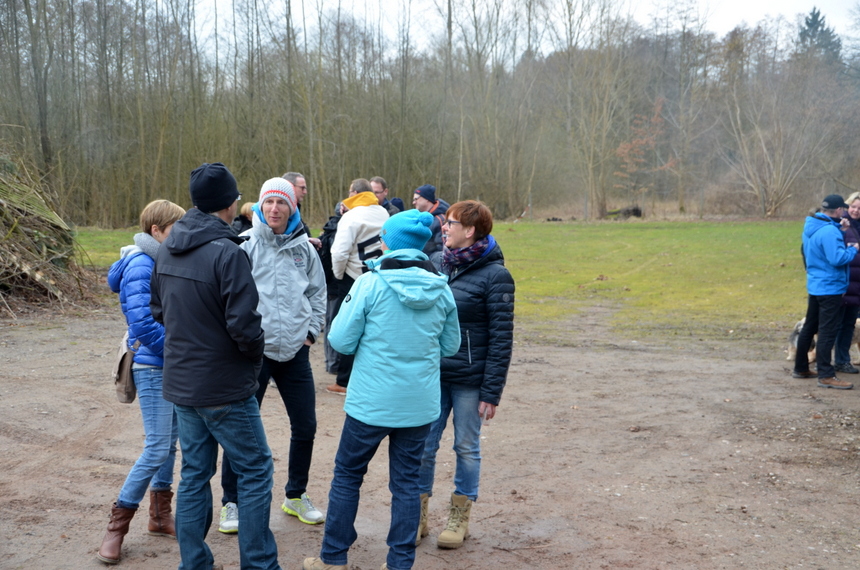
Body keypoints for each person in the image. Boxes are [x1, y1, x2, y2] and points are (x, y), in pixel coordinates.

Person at [302, 210, 461, 570]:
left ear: (388, 242)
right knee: (406, 483)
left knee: (347, 476)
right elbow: (450, 346)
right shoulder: (441, 289)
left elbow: (341, 340)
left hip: (370, 403)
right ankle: (400, 563)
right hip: (418, 405)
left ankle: (333, 558)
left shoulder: (369, 284)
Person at [150, 162, 281, 570]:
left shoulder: (168, 247)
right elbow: (245, 326)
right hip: (224, 387)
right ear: (230, 203)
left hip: (183, 384)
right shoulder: (228, 253)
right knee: (255, 470)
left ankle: (194, 564)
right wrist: (254, 358)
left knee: (194, 473)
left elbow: (159, 311)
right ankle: (259, 564)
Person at [218, 177, 327, 533]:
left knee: (306, 426)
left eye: (282, 203)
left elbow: (317, 293)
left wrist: (310, 333)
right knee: (241, 429)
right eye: (269, 202)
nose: (275, 209)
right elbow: (230, 299)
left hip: (295, 352)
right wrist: (244, 341)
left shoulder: (305, 249)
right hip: (256, 354)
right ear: (259, 206)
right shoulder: (244, 245)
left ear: (292, 208)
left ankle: (295, 494)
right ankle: (231, 502)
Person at [416, 200, 515, 550]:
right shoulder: (437, 262)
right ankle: (417, 514)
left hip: (471, 380)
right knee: (424, 445)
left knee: (466, 447)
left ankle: (459, 517)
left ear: (470, 230)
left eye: (451, 223)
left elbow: (502, 338)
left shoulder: (496, 276)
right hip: (434, 374)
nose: (444, 227)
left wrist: (492, 391)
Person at [98, 199, 185, 564]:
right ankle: (116, 527)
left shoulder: (161, 259)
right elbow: (143, 325)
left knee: (169, 445)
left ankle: (160, 516)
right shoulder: (141, 263)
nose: (181, 235)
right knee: (157, 447)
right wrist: (182, 350)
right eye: (176, 229)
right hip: (152, 366)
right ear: (156, 230)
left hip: (170, 364)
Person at [326, 178, 389, 395]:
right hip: (379, 276)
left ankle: (344, 381)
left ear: (354, 193)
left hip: (352, 277)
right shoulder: (383, 213)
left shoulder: (351, 216)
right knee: (375, 327)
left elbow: (339, 252)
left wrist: (338, 275)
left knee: (349, 327)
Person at [793, 193, 859, 390]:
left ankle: (801, 367)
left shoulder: (812, 225)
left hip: (816, 284)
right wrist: (853, 249)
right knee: (828, 331)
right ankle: (826, 375)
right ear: (838, 210)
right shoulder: (829, 231)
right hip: (830, 287)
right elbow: (837, 258)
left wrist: (841, 230)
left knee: (810, 327)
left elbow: (820, 246)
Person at [834, 191, 860, 374]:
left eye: (859, 208)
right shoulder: (840, 225)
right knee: (837, 324)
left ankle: (843, 360)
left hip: (857, 285)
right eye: (853, 206)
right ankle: (829, 360)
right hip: (845, 282)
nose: (856, 210)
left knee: (849, 324)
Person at [283, 171, 322, 250]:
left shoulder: (295, 212)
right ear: (290, 186)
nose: (305, 192)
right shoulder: (281, 213)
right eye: (302, 188)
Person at [411, 184, 449, 257]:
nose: (413, 202)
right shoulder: (418, 218)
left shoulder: (440, 220)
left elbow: (444, 250)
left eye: (416, 199)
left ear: (427, 199)